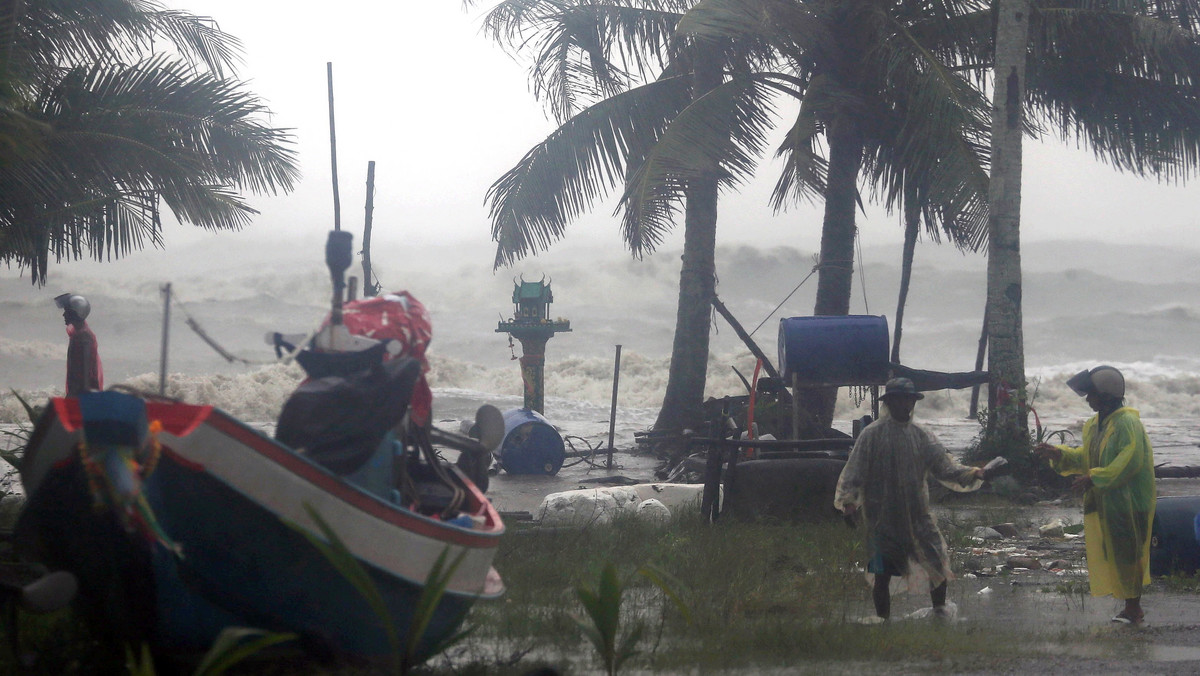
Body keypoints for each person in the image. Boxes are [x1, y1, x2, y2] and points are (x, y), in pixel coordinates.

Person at [834, 377, 985, 620]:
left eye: (908, 399)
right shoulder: (872, 434)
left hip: (918, 515)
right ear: (889, 402)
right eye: (898, 399)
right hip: (881, 516)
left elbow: (944, 467)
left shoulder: (921, 435)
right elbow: (854, 470)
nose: (904, 404)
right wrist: (848, 503)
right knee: (882, 573)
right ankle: (883, 621)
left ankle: (939, 613)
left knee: (936, 563)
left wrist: (971, 473)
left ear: (913, 402)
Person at [1034, 365, 1155, 624]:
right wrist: (1059, 454)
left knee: (1129, 553)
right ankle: (1129, 606)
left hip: (1129, 501)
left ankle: (1134, 609)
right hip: (1107, 500)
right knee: (1114, 552)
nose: (1088, 400)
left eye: (1092, 394)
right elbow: (1087, 457)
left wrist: (1095, 477)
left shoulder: (1127, 423)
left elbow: (1130, 460)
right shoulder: (1094, 425)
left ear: (1107, 394)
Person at [54, 293, 103, 396]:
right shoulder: (78, 334)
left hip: (83, 393)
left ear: (75, 314)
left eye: (67, 311)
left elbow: (85, 370)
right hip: (79, 391)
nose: (64, 315)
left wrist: (81, 397)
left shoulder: (83, 336)